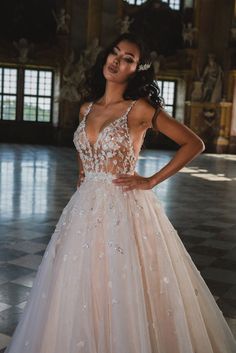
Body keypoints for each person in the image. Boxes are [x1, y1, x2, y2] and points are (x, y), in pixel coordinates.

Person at [5, 33, 236, 353]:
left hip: (125, 207)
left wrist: (152, 180)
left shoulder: (139, 109)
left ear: (137, 69)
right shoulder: (87, 107)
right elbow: (85, 147)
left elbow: (194, 143)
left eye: (127, 58)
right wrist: (84, 171)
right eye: (114, 53)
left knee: (123, 282)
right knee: (81, 282)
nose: (116, 60)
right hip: (83, 208)